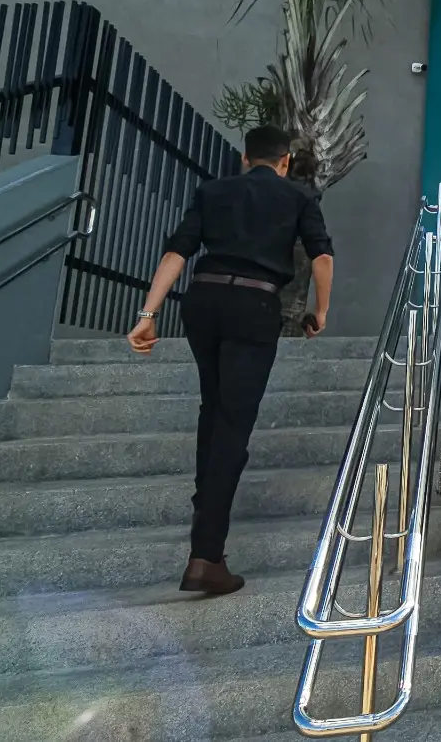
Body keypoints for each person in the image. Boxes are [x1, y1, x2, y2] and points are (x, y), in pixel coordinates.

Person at [127, 125, 334, 595]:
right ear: (285, 161)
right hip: (254, 306)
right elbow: (321, 256)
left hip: (203, 301)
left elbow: (178, 250)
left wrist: (148, 314)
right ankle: (205, 555)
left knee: (213, 411)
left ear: (245, 158)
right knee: (232, 426)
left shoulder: (212, 191)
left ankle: (206, 537)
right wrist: (320, 311)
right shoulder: (298, 196)